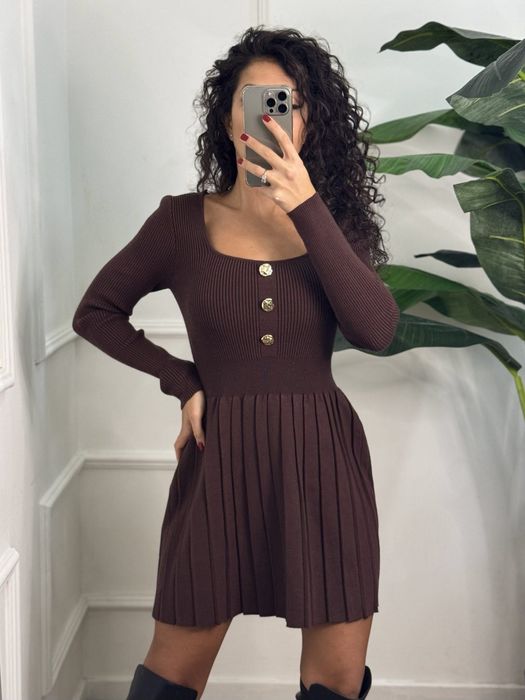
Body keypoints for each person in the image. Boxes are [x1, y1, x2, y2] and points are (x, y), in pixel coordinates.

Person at [72, 25, 400, 700]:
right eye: (256, 102)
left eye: (289, 103)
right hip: (217, 464)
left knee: (335, 682)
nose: (272, 119)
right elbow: (96, 312)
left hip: (323, 465)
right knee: (169, 676)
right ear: (228, 119)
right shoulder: (180, 223)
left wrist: (305, 206)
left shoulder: (332, 226)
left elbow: (376, 331)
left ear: (311, 120)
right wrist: (182, 380)